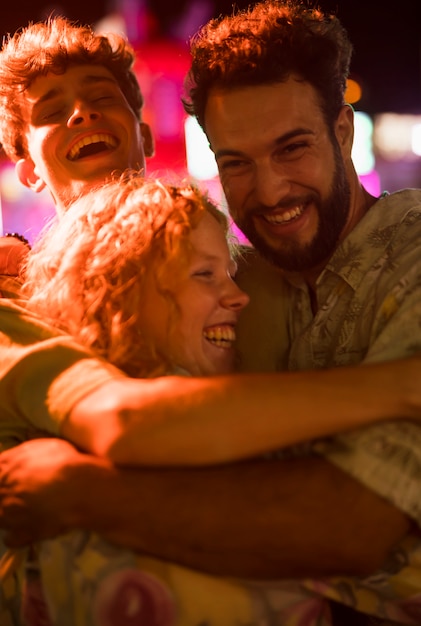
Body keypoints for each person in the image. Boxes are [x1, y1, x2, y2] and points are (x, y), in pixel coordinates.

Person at [0, 9, 421, 626]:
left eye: (293, 147)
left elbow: (353, 524)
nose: (272, 190)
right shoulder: (20, 300)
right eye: (238, 161)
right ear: (26, 168)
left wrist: (83, 494)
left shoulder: (251, 276)